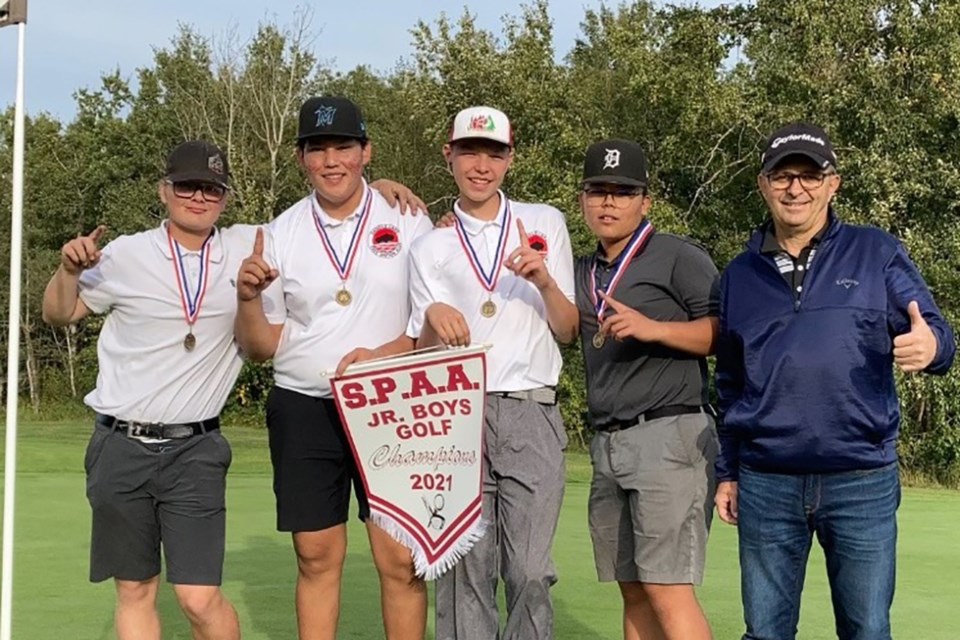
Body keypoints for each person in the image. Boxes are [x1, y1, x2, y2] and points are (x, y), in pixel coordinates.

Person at [714, 122, 956, 640]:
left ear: (832, 184)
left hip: (860, 478)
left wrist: (931, 347)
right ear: (762, 185)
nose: (794, 188)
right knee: (765, 632)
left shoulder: (876, 252)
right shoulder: (738, 276)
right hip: (766, 481)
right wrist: (727, 471)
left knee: (867, 630)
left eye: (808, 175)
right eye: (782, 176)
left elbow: (938, 335)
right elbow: (730, 383)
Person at [41, 140, 265, 640]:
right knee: (136, 590)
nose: (199, 197)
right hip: (120, 444)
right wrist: (68, 271)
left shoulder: (246, 245)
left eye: (212, 188)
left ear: (225, 198)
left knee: (199, 597)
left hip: (197, 447)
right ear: (165, 190)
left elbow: (317, 221)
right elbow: (59, 314)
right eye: (187, 186)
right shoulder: (125, 254)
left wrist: (379, 188)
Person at [233, 96, 434, 640]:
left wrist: (385, 356)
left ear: (366, 151)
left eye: (343, 146)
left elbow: (428, 322)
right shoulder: (278, 232)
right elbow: (259, 347)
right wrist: (248, 298)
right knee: (316, 557)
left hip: (392, 403)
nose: (331, 160)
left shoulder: (409, 217)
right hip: (304, 403)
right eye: (317, 149)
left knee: (400, 560)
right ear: (302, 159)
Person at [405, 106, 578, 640]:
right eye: (470, 152)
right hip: (458, 415)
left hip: (530, 408)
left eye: (494, 154)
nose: (481, 166)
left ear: (510, 158)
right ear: (448, 155)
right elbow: (421, 354)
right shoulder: (428, 245)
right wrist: (432, 318)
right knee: (466, 575)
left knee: (529, 571)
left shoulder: (544, 222)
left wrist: (545, 281)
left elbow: (568, 330)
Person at [574, 139, 719, 640]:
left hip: (669, 431)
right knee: (631, 586)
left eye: (622, 191)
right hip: (607, 441)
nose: (609, 202)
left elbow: (724, 333)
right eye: (598, 191)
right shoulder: (582, 269)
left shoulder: (678, 256)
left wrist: (654, 328)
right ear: (583, 200)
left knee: (667, 588)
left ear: (645, 201)